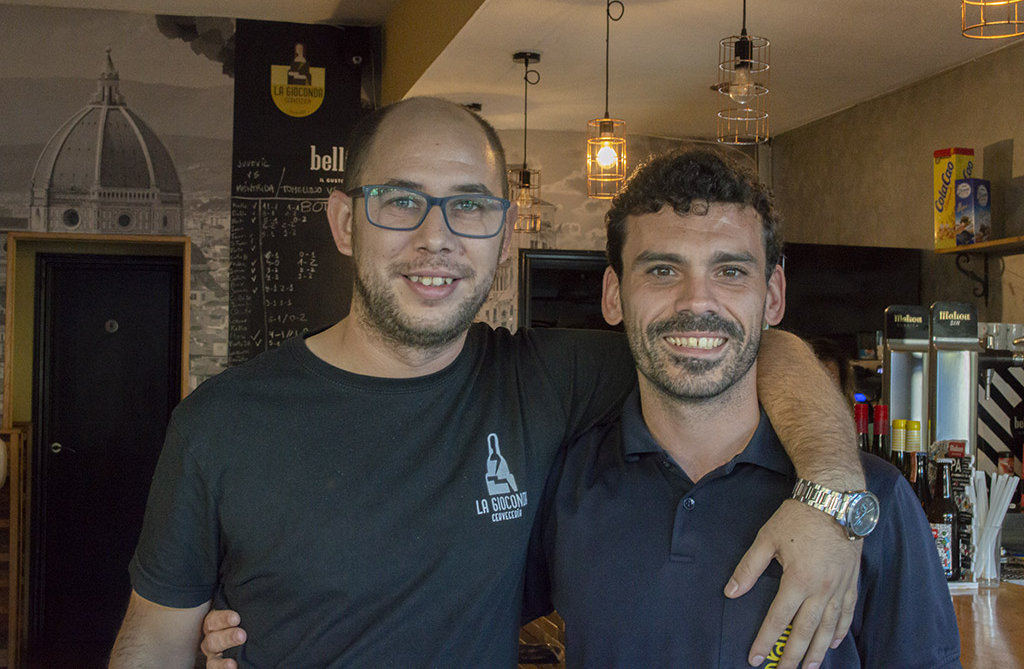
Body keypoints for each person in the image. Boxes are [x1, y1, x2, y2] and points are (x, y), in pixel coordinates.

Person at [111, 98, 864, 669]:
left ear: (505, 237)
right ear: (345, 222)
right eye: (400, 200)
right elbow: (150, 643)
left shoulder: (547, 380)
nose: (435, 237)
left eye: (469, 206)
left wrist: (831, 492)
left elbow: (745, 345)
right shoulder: (222, 423)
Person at [522, 148, 961, 668]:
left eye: (730, 271)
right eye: (663, 270)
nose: (697, 302)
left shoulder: (872, 503)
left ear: (773, 295)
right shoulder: (562, 483)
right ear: (614, 294)